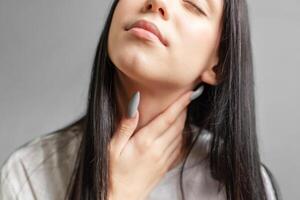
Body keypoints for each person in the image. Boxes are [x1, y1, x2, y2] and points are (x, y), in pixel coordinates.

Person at [0, 0, 282, 199]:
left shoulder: (241, 186)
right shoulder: (30, 172)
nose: (158, 2)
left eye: (193, 4)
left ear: (217, 66)